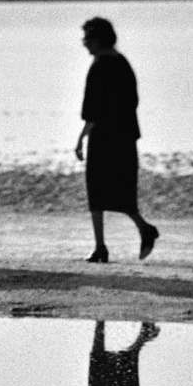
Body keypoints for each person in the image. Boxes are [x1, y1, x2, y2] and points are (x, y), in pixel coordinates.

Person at [75, 16, 159, 262]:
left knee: (97, 189)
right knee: (122, 189)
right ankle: (142, 229)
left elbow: (92, 109)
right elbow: (132, 101)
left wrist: (81, 138)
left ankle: (101, 246)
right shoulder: (121, 62)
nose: (84, 44)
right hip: (124, 134)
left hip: (103, 136)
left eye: (87, 39)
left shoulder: (100, 65)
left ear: (98, 39)